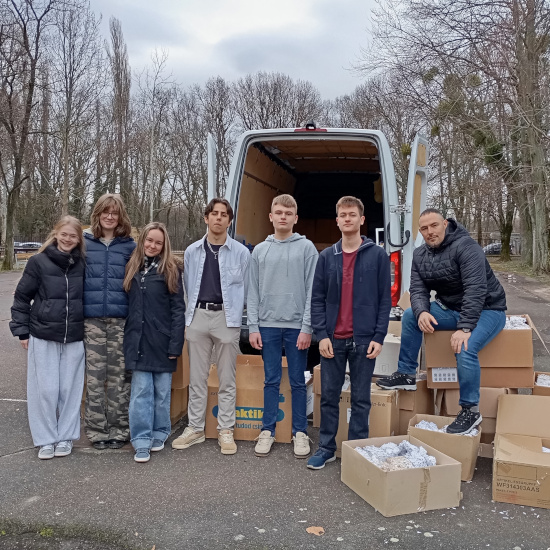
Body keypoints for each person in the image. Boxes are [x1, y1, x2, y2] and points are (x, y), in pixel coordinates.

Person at [377, 208, 507, 434]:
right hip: (450, 308)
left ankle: (470, 411)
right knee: (410, 315)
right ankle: (406, 374)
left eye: (434, 225)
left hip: (488, 309)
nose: (430, 232)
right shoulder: (420, 255)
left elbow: (475, 289)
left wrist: (465, 327)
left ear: (445, 224)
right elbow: (418, 290)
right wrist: (422, 312)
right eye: (424, 228)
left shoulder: (467, 247)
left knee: (465, 347)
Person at [308, 196, 391, 470]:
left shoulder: (377, 256)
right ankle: (326, 448)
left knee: (361, 399)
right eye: (342, 215)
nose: (347, 219)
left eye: (352, 214)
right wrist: (322, 335)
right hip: (333, 340)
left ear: (361, 219)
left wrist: (379, 336)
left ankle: (357, 450)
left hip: (364, 340)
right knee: (329, 397)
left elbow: (385, 300)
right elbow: (317, 299)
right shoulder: (326, 257)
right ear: (337, 220)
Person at [172, 198, 250, 455]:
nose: (218, 218)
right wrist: (188, 320)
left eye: (223, 214)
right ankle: (195, 428)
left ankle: (225, 430)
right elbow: (186, 288)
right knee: (197, 378)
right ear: (206, 218)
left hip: (227, 318)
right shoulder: (192, 251)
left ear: (229, 220)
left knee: (227, 379)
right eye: (214, 213)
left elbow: (248, 290)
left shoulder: (241, 253)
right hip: (198, 316)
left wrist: (245, 320)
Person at [247, 194, 318, 458]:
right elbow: (252, 291)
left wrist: (307, 327)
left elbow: (313, 290)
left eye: (288, 213)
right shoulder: (260, 251)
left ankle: (300, 432)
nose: (283, 217)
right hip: (267, 325)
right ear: (271, 216)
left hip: (297, 326)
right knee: (271, 380)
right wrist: (253, 326)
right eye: (279, 212)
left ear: (295, 218)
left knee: (298, 380)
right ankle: (267, 430)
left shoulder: (307, 248)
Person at [10, 216, 86, 460]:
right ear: (56, 234)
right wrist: (21, 330)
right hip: (42, 333)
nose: (68, 239)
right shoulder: (38, 262)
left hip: (74, 336)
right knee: (45, 389)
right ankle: (45, 439)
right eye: (64, 234)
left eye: (73, 236)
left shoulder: (83, 263)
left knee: (70, 390)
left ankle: (66, 437)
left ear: (79, 239)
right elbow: (22, 297)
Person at [123, 222, 186, 463]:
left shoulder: (171, 270)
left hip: (163, 341)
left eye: (158, 243)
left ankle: (160, 431)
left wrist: (175, 345)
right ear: (142, 240)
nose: (152, 245)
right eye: (149, 240)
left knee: (161, 393)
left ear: (164, 245)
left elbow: (178, 310)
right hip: (138, 341)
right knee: (141, 392)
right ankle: (141, 439)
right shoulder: (132, 266)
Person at [83, 194, 136, 450]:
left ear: (120, 216)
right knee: (95, 378)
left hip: (120, 320)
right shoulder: (84, 243)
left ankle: (119, 429)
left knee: (119, 378)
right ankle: (96, 431)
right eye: (106, 211)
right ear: (98, 214)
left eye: (115, 212)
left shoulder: (129, 246)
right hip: (92, 321)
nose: (110, 216)